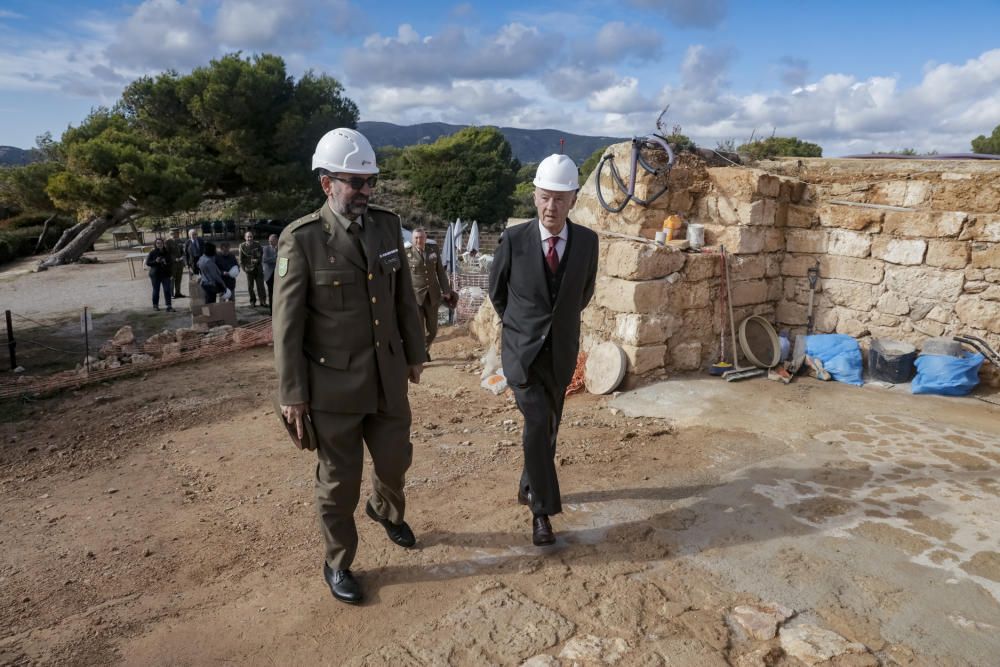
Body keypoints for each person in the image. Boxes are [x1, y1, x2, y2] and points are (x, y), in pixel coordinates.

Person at [272, 127, 427, 605]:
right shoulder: (302, 241)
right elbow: (287, 326)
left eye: (369, 182)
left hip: (387, 376)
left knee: (396, 459)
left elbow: (402, 296)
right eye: (353, 182)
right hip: (332, 387)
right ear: (327, 184)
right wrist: (292, 393)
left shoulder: (384, 226)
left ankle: (383, 510)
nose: (364, 192)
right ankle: (338, 562)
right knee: (339, 483)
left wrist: (416, 351)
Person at [488, 154, 599, 547]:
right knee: (537, 422)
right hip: (522, 354)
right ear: (534, 197)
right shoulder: (514, 240)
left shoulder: (587, 242)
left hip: (561, 354)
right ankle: (542, 512)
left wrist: (557, 328)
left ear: (573, 200)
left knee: (549, 428)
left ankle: (527, 485)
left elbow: (582, 294)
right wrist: (521, 328)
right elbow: (497, 292)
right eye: (545, 198)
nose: (552, 207)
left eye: (560, 199)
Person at [405, 227, 457, 360]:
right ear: (412, 239)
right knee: (419, 330)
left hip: (433, 296)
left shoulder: (433, 250)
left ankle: (424, 349)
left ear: (425, 237)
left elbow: (440, 271)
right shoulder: (406, 253)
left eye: (421, 237)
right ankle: (420, 355)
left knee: (433, 330)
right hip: (415, 296)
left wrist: (446, 291)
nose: (419, 240)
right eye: (416, 238)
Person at [145, 238, 175, 312]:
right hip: (155, 274)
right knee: (156, 290)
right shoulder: (152, 252)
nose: (159, 244)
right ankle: (155, 305)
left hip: (165, 274)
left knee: (167, 290)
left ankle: (169, 306)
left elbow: (171, 263)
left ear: (163, 243)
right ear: (155, 244)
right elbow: (148, 263)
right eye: (158, 243)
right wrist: (155, 261)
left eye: (161, 243)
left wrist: (165, 263)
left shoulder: (167, 252)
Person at [239, 231, 267, 307]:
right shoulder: (242, 246)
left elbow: (261, 255)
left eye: (251, 236)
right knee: (250, 286)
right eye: (248, 237)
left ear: (253, 237)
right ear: (245, 238)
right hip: (248, 269)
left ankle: (263, 301)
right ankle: (252, 301)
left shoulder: (257, 244)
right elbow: (241, 259)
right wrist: (244, 269)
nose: (249, 238)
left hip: (258, 268)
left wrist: (258, 260)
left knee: (260, 286)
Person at [165, 228, 186, 298]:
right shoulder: (167, 242)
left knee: (179, 279)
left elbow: (182, 250)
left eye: (176, 233)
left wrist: (183, 256)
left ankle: (178, 292)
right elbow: (167, 253)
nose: (175, 235)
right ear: (170, 234)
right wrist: (174, 259)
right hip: (172, 264)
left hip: (180, 263)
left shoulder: (180, 241)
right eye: (173, 233)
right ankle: (171, 294)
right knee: (172, 279)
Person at [262, 233, 278, 311]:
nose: (270, 242)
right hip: (269, 275)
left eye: (272, 241)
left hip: (279, 274)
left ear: (277, 240)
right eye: (269, 241)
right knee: (271, 293)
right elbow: (265, 260)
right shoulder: (266, 249)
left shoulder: (281, 248)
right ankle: (271, 311)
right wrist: (276, 258)